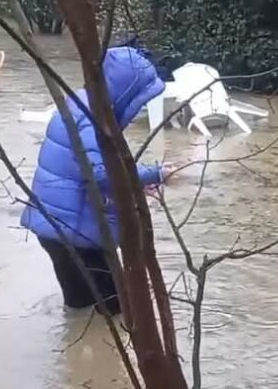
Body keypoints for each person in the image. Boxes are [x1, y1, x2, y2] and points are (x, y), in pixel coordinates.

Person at [20, 45, 170, 316]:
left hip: (54, 228)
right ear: (126, 92)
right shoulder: (92, 119)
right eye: (140, 99)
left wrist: (131, 185)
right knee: (116, 311)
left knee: (79, 308)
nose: (140, 108)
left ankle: (76, 356)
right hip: (76, 234)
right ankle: (104, 356)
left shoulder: (78, 103)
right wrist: (156, 173)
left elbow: (87, 173)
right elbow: (101, 173)